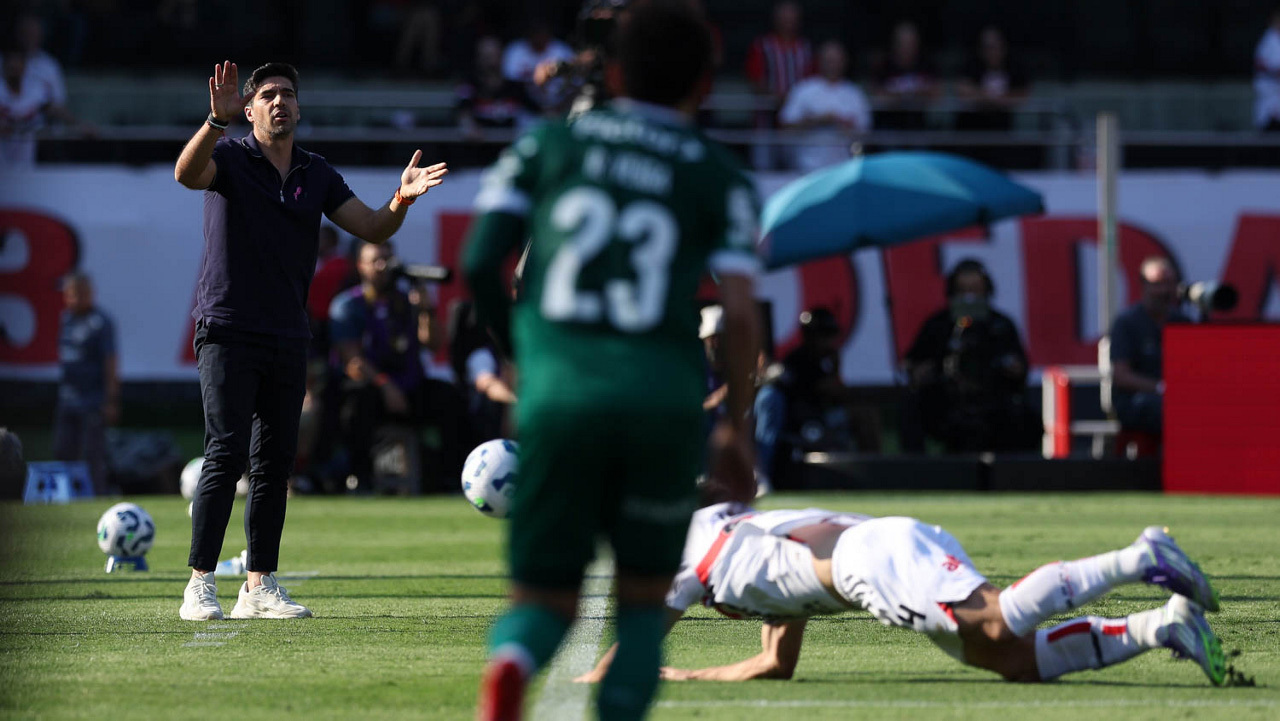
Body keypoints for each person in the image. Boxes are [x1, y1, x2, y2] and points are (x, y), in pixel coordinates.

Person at [463, 2, 762, 718]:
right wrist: (737, 422)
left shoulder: (547, 148)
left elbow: (479, 262)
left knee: (542, 599)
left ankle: (512, 660)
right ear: (704, 85)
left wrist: (523, 357)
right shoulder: (719, 174)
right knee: (639, 608)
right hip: (661, 401)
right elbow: (744, 313)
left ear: (616, 70)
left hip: (561, 393)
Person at [173, 60, 448, 622]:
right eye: (268, 95)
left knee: (275, 462)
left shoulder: (314, 172)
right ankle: (200, 583)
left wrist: (401, 199)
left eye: (288, 94)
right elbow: (185, 174)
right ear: (248, 109)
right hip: (227, 327)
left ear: (299, 108)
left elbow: (371, 227)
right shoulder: (227, 155)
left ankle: (258, 585)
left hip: (286, 333)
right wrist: (212, 121)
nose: (280, 102)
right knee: (225, 455)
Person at [576, 498, 1226, 687]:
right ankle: (1164, 626)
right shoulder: (727, 536)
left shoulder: (680, 554)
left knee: (997, 621)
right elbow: (775, 663)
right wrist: (690, 675)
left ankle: (1142, 555)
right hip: (872, 556)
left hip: (871, 560)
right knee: (1014, 660)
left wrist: (585, 683)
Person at [329, 241, 469, 492]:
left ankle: (450, 479)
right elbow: (353, 361)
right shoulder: (348, 305)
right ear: (361, 266)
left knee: (450, 398)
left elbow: (433, 345)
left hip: (410, 389)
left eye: (387, 259)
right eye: (375, 261)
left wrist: (426, 311)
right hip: (375, 389)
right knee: (357, 401)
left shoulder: (407, 302)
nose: (383, 266)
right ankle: (360, 478)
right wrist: (385, 386)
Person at [901, 259, 1038, 453]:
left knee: (1026, 418)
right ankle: (916, 473)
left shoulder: (1001, 325)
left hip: (993, 400)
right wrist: (921, 371)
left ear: (986, 290)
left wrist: (1013, 368)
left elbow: (1020, 367)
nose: (969, 297)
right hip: (946, 401)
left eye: (975, 289)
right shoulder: (938, 325)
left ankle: (1014, 475)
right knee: (912, 406)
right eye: (963, 290)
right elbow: (912, 362)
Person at [775, 308, 881, 471]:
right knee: (863, 415)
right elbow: (832, 391)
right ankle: (873, 469)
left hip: (821, 415)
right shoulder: (800, 360)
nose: (830, 342)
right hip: (807, 422)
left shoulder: (822, 360)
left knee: (866, 412)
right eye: (826, 336)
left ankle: (874, 465)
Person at [54, 272, 119, 496]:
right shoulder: (66, 320)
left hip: (93, 400)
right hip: (68, 398)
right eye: (71, 295)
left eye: (81, 294)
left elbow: (110, 363)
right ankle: (64, 497)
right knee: (63, 450)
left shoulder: (100, 322)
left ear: (90, 294)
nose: (75, 300)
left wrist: (111, 400)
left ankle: (98, 497)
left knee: (94, 455)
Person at [1108, 257, 1188, 437]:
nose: (1164, 291)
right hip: (1135, 401)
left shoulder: (1182, 322)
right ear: (1144, 285)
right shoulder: (1126, 323)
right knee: (1165, 409)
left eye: (1169, 283)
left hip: (1178, 398)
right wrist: (1162, 388)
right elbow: (1121, 376)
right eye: (1158, 284)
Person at [778, 40, 872, 172]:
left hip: (844, 168)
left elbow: (865, 133)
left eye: (836, 60)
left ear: (844, 62)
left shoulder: (854, 94)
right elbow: (786, 126)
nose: (832, 65)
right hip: (806, 167)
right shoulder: (804, 89)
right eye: (828, 60)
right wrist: (817, 121)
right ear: (820, 61)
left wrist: (838, 122)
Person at [744, 1, 815, 170]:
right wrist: (779, 98)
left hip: (797, 124)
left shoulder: (804, 48)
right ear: (775, 19)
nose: (788, 22)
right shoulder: (762, 46)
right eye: (784, 18)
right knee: (764, 169)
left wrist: (794, 102)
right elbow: (755, 81)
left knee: (796, 170)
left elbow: (812, 83)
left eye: (792, 18)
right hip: (766, 122)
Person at [955, 26, 1029, 132]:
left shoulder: (1014, 67)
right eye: (987, 48)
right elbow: (962, 90)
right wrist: (988, 97)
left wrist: (1000, 99)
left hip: (1002, 127)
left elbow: (1023, 93)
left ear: (1003, 48)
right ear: (980, 49)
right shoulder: (971, 66)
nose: (991, 52)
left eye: (995, 47)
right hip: (972, 125)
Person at [872, 21, 939, 131]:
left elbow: (937, 93)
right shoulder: (884, 66)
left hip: (919, 124)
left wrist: (899, 95)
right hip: (890, 125)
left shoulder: (926, 65)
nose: (906, 47)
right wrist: (910, 95)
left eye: (910, 43)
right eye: (902, 43)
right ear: (895, 44)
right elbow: (877, 94)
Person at [501, 20, 575, 115]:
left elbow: (575, 84)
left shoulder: (562, 51)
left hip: (560, 108)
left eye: (542, 32)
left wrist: (561, 108)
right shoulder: (516, 50)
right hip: (524, 110)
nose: (538, 36)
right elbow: (509, 85)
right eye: (535, 32)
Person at [1254, 6, 1280, 131]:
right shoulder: (1268, 40)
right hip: (1270, 90)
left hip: (1277, 90)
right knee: (1267, 123)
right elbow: (1261, 65)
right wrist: (1274, 71)